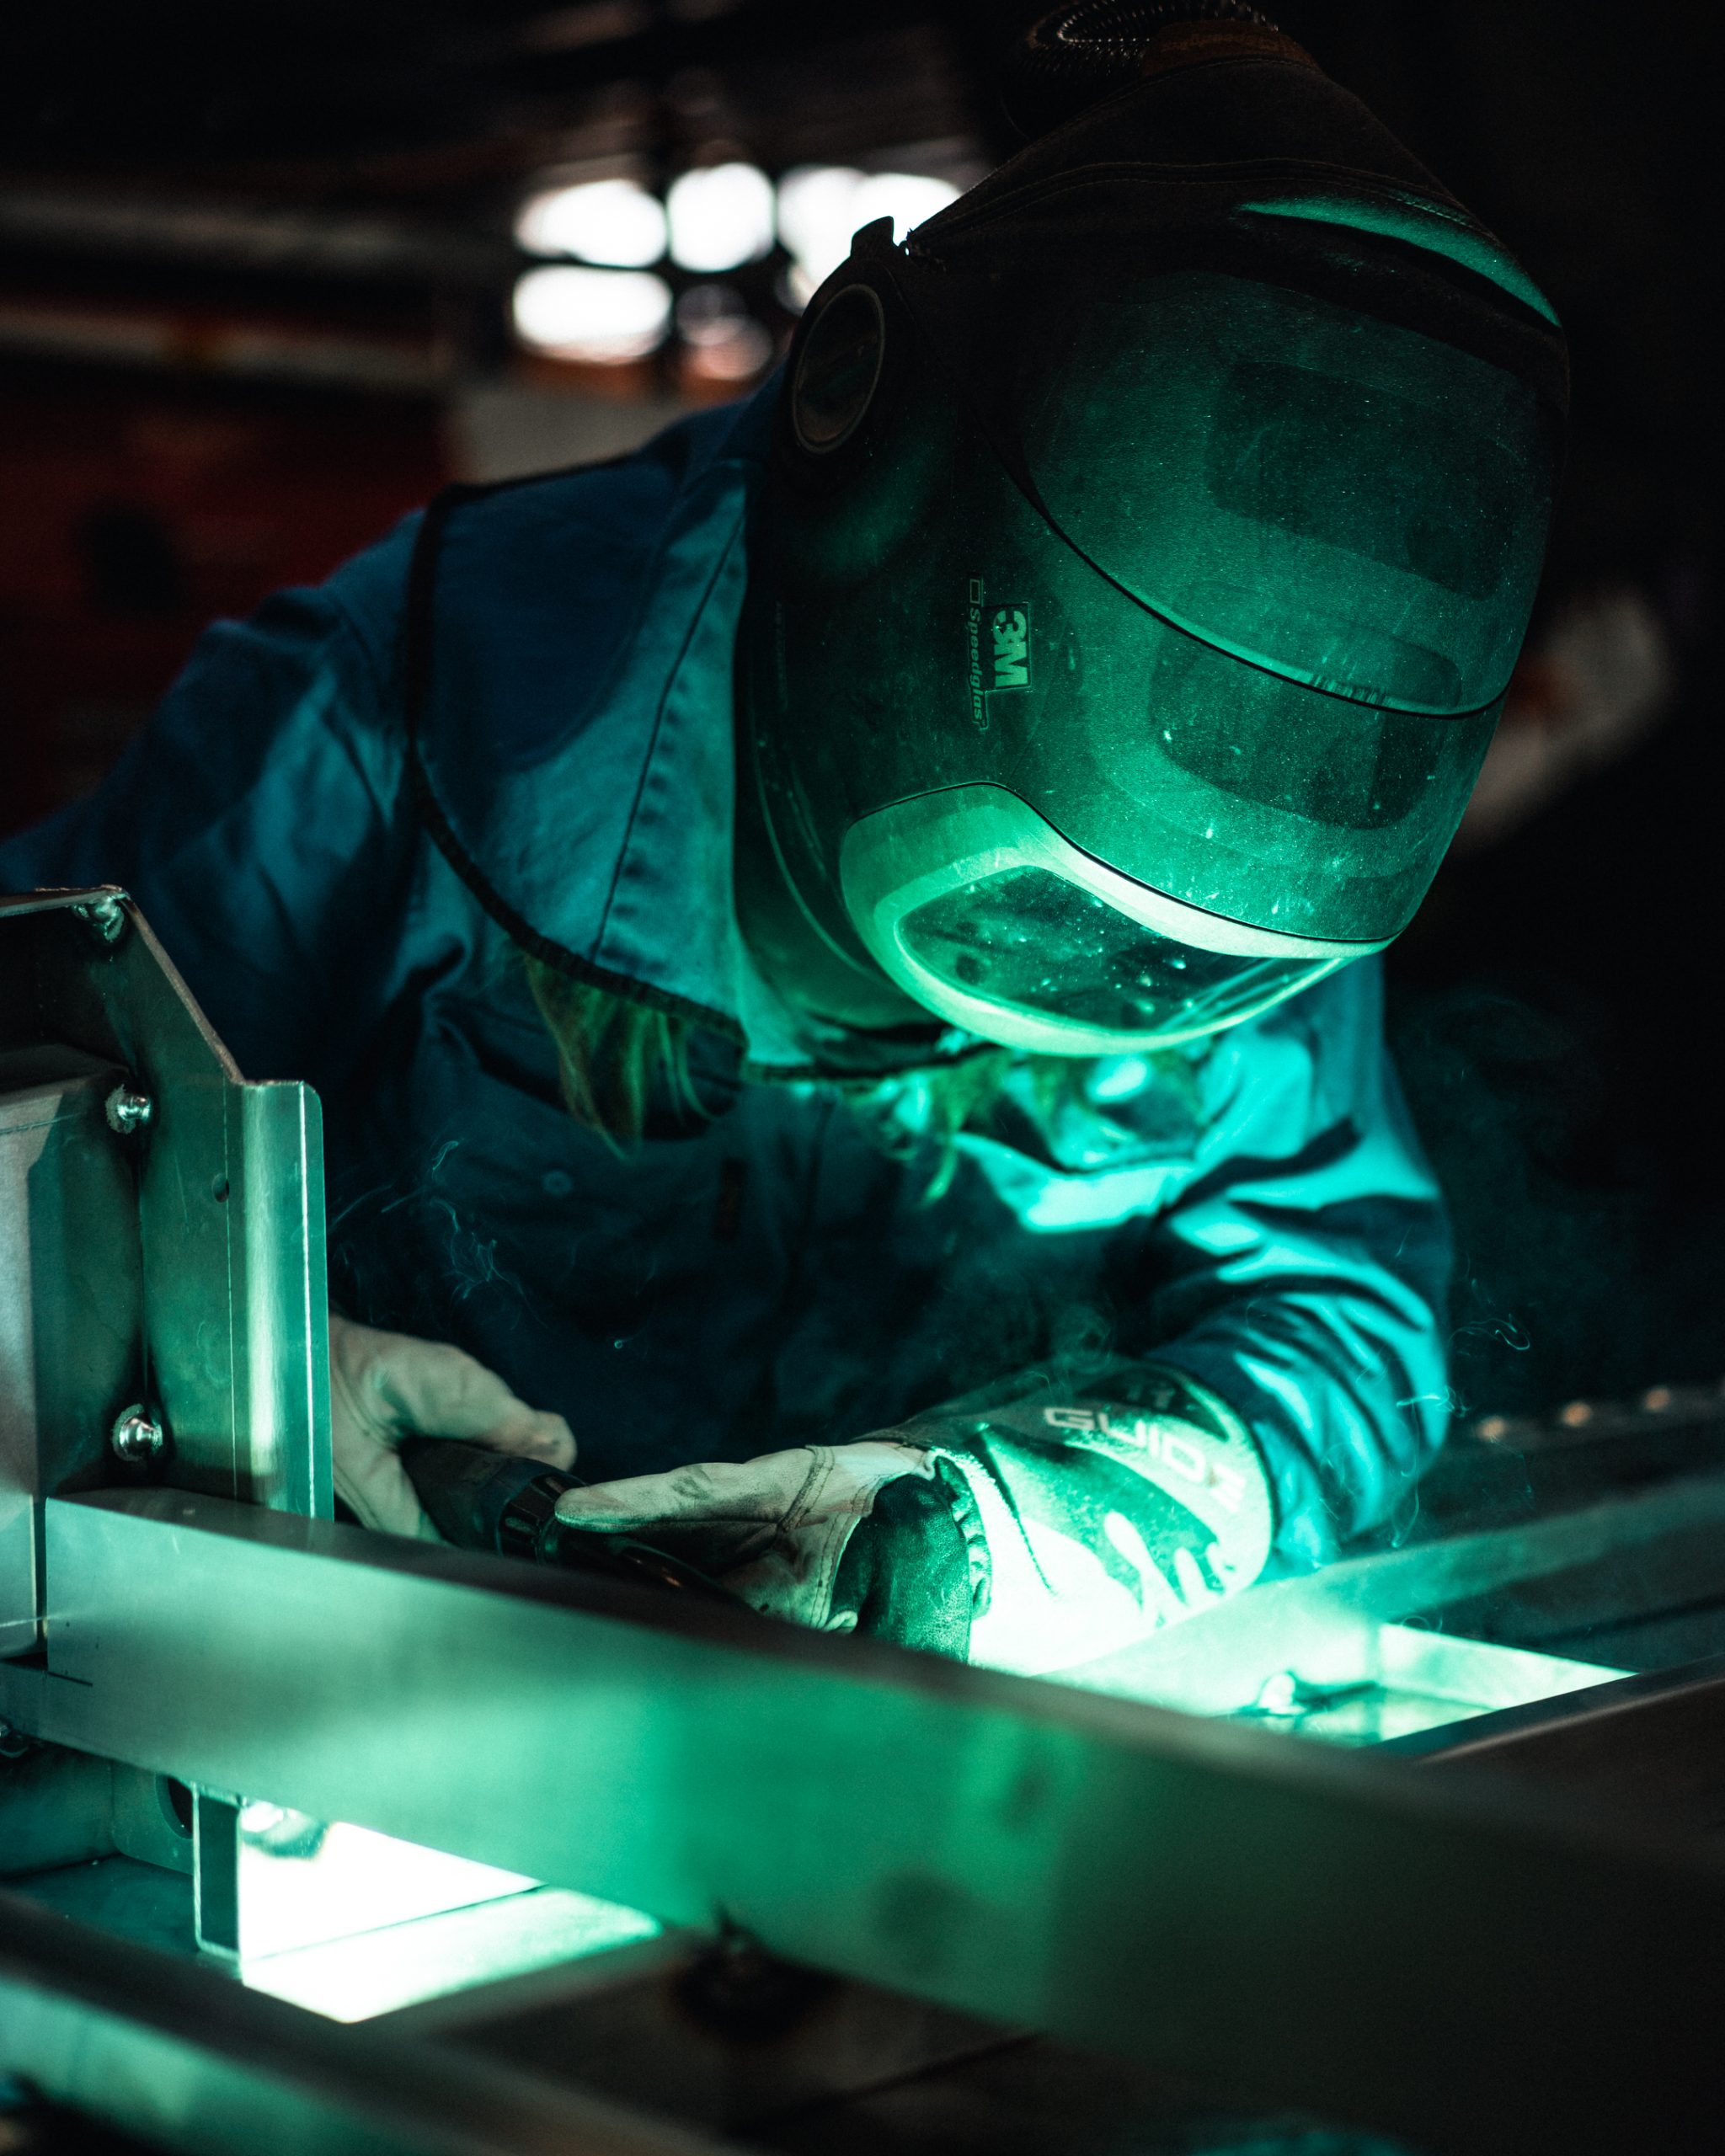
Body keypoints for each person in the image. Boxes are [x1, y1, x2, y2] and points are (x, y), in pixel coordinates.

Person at [0, 3, 1566, 1675]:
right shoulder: (394, 718)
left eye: (1186, 965)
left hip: (896, 1776)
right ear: (854, 422)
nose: (1116, 984)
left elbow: (1344, 1316)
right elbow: (28, 1144)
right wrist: (244, 1373)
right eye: (1054, 912)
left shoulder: (1240, 899)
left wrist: (1001, 1524)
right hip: (394, 1716)